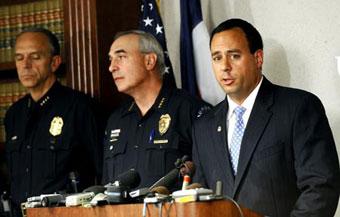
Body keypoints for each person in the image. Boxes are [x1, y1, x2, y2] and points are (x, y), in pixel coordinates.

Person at [192, 18, 340, 217]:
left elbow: (321, 187)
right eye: (217, 58)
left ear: (258, 58)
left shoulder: (298, 107)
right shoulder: (203, 127)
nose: (224, 66)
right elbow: (203, 198)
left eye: (234, 56)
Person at [4, 28, 104, 216]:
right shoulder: (13, 115)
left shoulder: (80, 107)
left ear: (54, 62)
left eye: (35, 57)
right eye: (19, 58)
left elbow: (103, 173)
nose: (26, 65)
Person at [102, 30, 210, 189]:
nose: (112, 67)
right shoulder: (116, 120)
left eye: (121, 57)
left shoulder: (189, 110)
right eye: (110, 59)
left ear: (149, 61)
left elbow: (209, 177)